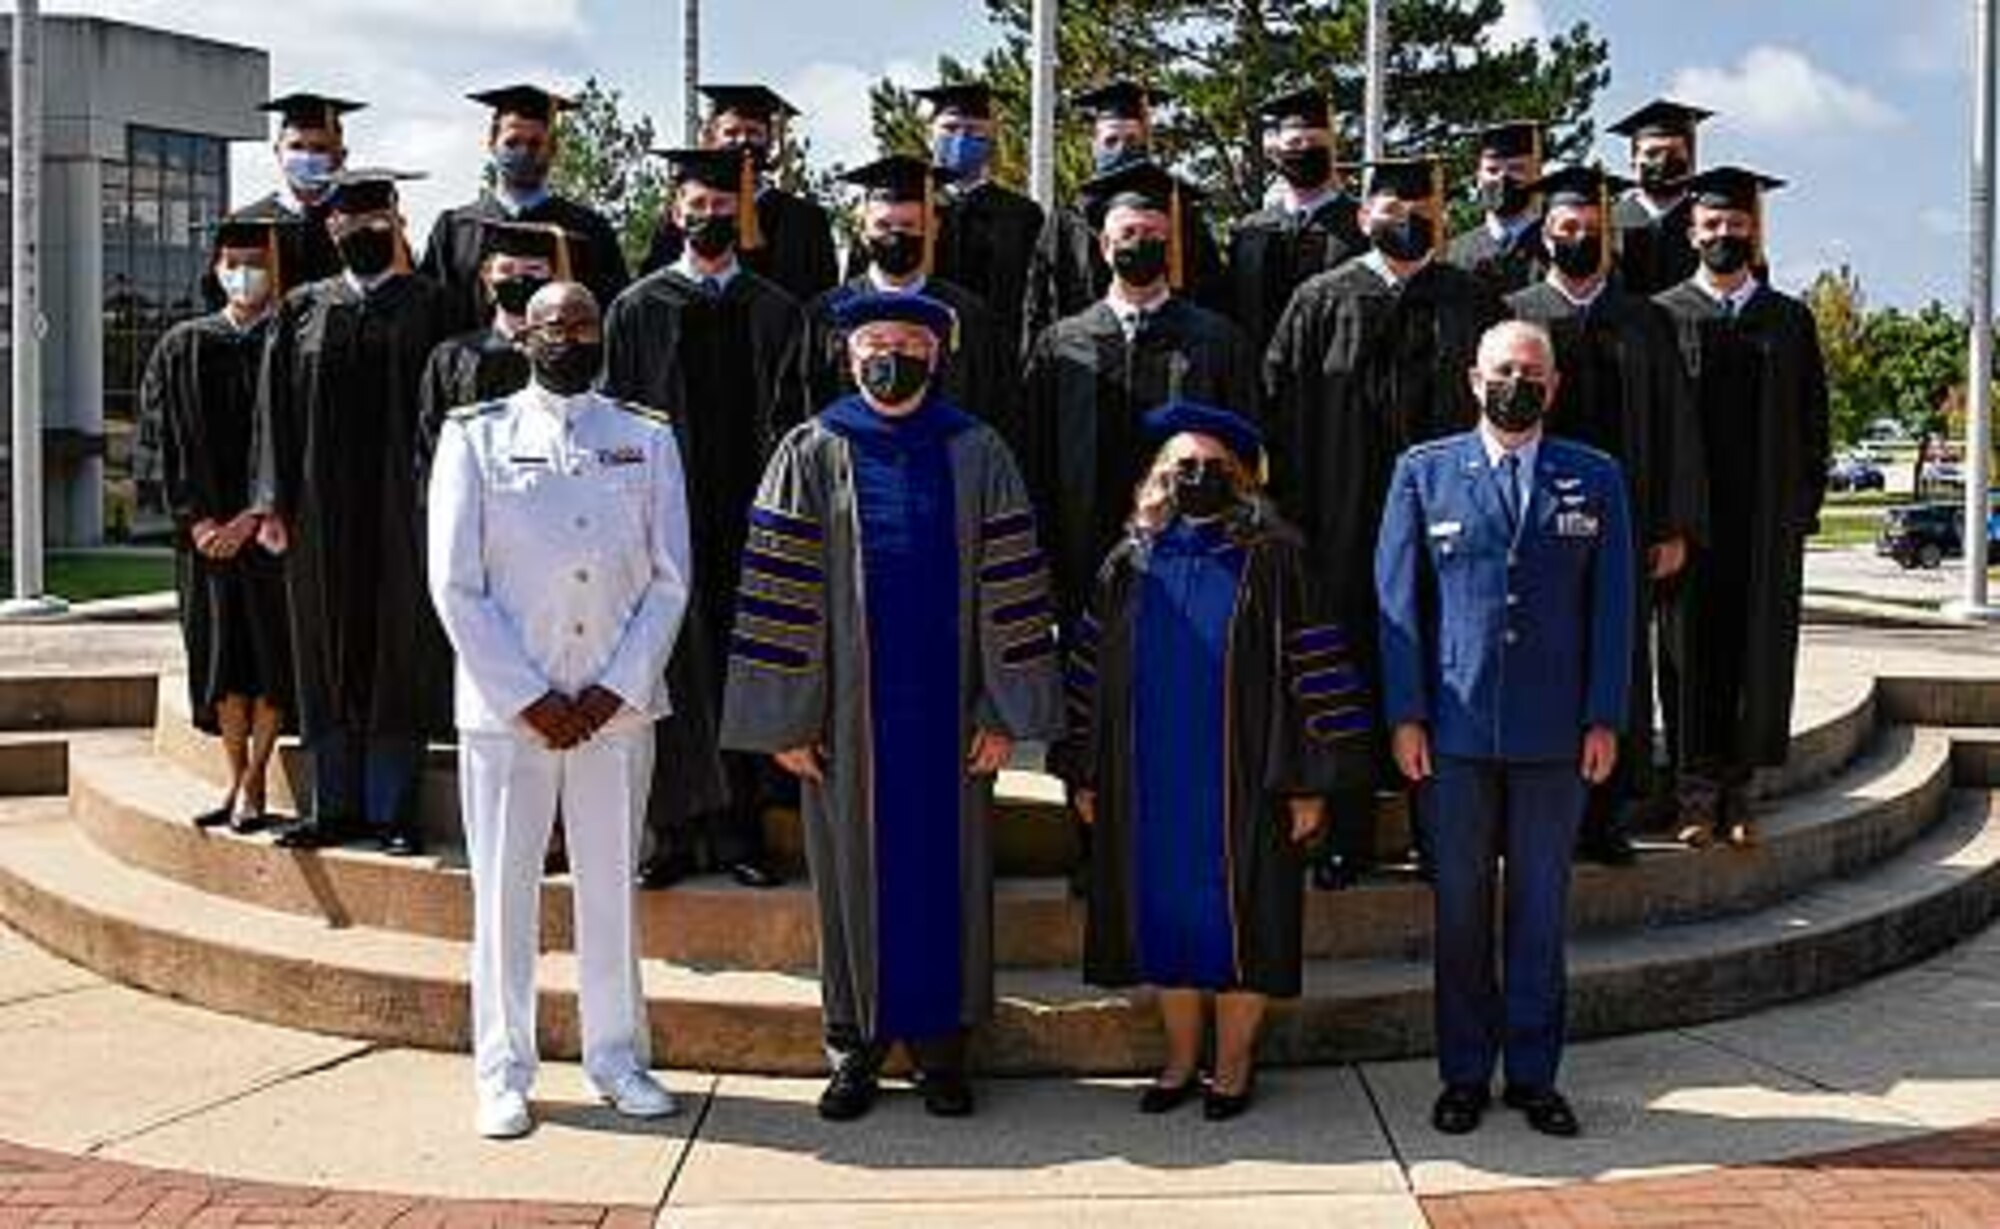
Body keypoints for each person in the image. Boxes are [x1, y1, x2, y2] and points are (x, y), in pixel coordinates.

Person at [719, 292, 1064, 1122]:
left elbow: (1014, 588)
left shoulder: (979, 452)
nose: (891, 356)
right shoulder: (810, 450)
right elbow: (778, 595)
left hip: (952, 720)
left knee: (953, 875)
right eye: (875, 341)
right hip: (842, 722)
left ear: (936, 356)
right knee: (847, 876)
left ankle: (944, 1050)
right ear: (848, 355)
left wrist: (1001, 712)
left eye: (909, 342)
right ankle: (853, 1045)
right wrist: (787, 719)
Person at [427, 281, 689, 1140]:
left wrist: (618, 685)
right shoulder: (476, 436)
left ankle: (618, 1057)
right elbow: (455, 585)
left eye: (583, 323)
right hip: (511, 714)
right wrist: (529, 695)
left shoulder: (644, 437)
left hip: (614, 711)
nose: (569, 336)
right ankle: (503, 1070)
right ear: (522, 333)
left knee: (611, 888)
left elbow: (669, 578)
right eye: (552, 324)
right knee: (504, 893)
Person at [1060, 402, 1372, 1120]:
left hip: (1244, 780)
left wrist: (1309, 783)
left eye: (1212, 467)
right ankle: (1178, 1058)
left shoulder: (1274, 559)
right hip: (1149, 779)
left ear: (1240, 480)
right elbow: (1087, 672)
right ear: (1158, 479)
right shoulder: (1129, 560)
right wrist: (1084, 768)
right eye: (1180, 466)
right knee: (1164, 917)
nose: (1195, 477)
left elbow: (1315, 670)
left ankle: (1232, 1063)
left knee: (1245, 919)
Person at [1375, 320, 1634, 1140]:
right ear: (1472, 379)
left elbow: (1615, 608)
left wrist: (1605, 716)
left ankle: (1532, 1074)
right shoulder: (1424, 473)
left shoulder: (1595, 477)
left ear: (1552, 387)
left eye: (1529, 371)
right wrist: (1405, 712)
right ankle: (1462, 1073)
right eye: (1500, 371)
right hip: (1451, 734)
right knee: (1458, 911)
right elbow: (1396, 605)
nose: (1514, 383)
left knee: (1539, 909)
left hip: (1556, 737)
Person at [1264, 156, 1505, 886]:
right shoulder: (1319, 300)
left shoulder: (1473, 302)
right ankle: (1346, 835)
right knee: (1342, 674)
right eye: (1393, 205)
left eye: (1424, 205)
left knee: (1446, 666)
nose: (1410, 217)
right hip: (1336, 525)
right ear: (1363, 216)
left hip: (1448, 526)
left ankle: (1441, 833)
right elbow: (1278, 409)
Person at [603, 146, 809, 890]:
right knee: (669, 666)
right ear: (673, 211)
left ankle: (743, 832)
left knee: (741, 664)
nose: (710, 218)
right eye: (697, 207)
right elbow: (614, 424)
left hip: (752, 520)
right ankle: (672, 833)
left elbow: (793, 425)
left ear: (742, 214)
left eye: (724, 208)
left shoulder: (777, 311)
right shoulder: (636, 308)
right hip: (663, 518)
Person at [1506, 163, 1706, 866]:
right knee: (1540, 659)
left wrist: (1676, 523)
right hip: (1534, 525)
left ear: (1609, 239)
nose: (1579, 239)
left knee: (1619, 665)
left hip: (1627, 524)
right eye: (1567, 229)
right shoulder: (1515, 312)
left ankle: (1606, 816)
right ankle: (1537, 812)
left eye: (1591, 230)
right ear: (1545, 235)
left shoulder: (1644, 320)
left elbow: (1679, 426)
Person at [252, 169, 454, 856]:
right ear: (330, 229)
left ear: (395, 222)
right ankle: (331, 805)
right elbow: (272, 412)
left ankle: (393, 809)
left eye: (375, 222)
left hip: (406, 510)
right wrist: (270, 501)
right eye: (347, 224)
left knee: (400, 652)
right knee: (323, 651)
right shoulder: (302, 308)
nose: (361, 233)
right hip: (318, 513)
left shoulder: (433, 306)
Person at [1653, 167, 1828, 849]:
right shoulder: (1663, 315)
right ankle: (1694, 794)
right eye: (1712, 224)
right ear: (1693, 232)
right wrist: (1662, 518)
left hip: (1763, 528)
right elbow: (1654, 428)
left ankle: (1740, 792)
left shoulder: (1789, 318)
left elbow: (1815, 424)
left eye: (1736, 224)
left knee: (1755, 657)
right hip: (1690, 527)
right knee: (1688, 657)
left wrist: (1800, 511)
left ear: (1754, 231)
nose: (1724, 234)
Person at [146, 203, 297, 833]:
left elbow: (300, 439)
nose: (245, 275)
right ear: (216, 267)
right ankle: (233, 776)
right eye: (235, 265)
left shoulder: (290, 342)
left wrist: (260, 512)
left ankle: (257, 780)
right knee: (222, 662)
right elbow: (157, 443)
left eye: (257, 266)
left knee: (269, 660)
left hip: (269, 539)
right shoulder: (181, 345)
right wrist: (196, 522)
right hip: (206, 543)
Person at [805, 154, 1010, 437]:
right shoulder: (827, 313)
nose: (896, 236)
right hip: (848, 470)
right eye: (884, 226)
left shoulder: (968, 315)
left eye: (909, 227)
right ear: (863, 230)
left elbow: (995, 408)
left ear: (933, 229)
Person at [1022, 80, 1225, 352]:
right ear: (1094, 146)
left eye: (1132, 140)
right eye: (1110, 141)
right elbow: (1040, 302)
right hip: (1084, 360)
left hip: (1174, 356)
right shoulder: (1068, 220)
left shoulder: (1178, 214)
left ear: (1146, 143)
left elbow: (1211, 292)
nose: (1121, 149)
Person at [419, 85, 630, 335]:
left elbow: (614, 318)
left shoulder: (589, 230)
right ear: (491, 143)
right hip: (472, 369)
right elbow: (430, 317)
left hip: (563, 370)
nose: (524, 152)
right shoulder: (455, 229)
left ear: (553, 149)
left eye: (535, 143)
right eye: (512, 142)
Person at [641, 84, 840, 304]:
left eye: (754, 132)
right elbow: (652, 291)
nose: (743, 141)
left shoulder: (806, 220)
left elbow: (824, 299)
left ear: (770, 140)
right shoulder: (682, 219)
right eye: (731, 132)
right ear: (713, 137)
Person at [1224, 85, 1364, 355]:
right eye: (1294, 144)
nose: (1305, 151)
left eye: (1315, 143)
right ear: (1276, 153)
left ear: (1332, 149)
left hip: (1336, 378)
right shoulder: (1250, 230)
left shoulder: (1361, 226)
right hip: (1260, 377)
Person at [916, 80, 1045, 366]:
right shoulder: (909, 208)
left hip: (997, 360)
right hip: (919, 354)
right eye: (950, 129)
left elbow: (1037, 301)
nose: (962, 138)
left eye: (974, 131)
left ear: (992, 139)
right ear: (929, 134)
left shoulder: (1023, 215)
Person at [418, 219, 560, 466]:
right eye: (507, 269)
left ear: (553, 277)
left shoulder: (569, 353)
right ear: (487, 278)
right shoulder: (452, 358)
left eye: (534, 269)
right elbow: (431, 444)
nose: (519, 279)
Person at [251, 92, 362, 285]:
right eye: (296, 146)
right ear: (277, 151)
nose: (307, 157)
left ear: (340, 156)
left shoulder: (361, 219)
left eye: (319, 149)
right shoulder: (251, 222)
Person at [1607, 99, 1714, 297]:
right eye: (1652, 153)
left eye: (1673, 153)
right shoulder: (1608, 221)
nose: (1662, 161)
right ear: (1633, 161)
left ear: (1690, 161)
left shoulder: (1711, 222)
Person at [1445, 121, 1548, 297]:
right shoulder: (1452, 256)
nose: (1502, 178)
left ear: (1537, 176)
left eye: (1516, 169)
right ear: (1478, 178)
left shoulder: (1558, 250)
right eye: (1492, 170)